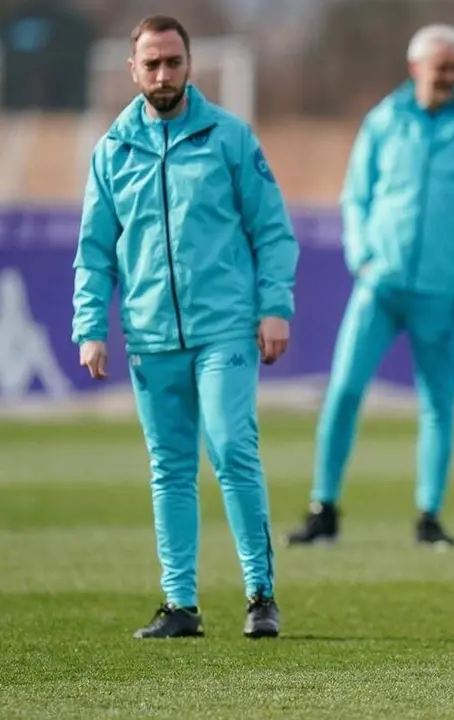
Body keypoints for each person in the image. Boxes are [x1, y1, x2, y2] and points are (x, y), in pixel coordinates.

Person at [72, 15, 298, 639]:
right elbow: (94, 250)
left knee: (230, 449)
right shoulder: (113, 150)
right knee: (169, 467)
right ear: (133, 70)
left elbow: (272, 230)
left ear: (190, 63)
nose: (164, 74)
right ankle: (181, 606)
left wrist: (274, 305)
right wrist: (90, 327)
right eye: (153, 64)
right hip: (149, 337)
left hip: (225, 328)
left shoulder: (230, 138)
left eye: (174, 61)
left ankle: (261, 595)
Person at [284, 24, 454, 549]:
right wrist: (362, 256)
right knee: (343, 392)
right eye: (441, 68)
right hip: (380, 285)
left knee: (437, 404)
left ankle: (429, 515)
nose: (450, 77)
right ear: (415, 69)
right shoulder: (384, 122)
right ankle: (324, 508)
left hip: (443, 290)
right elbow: (355, 196)